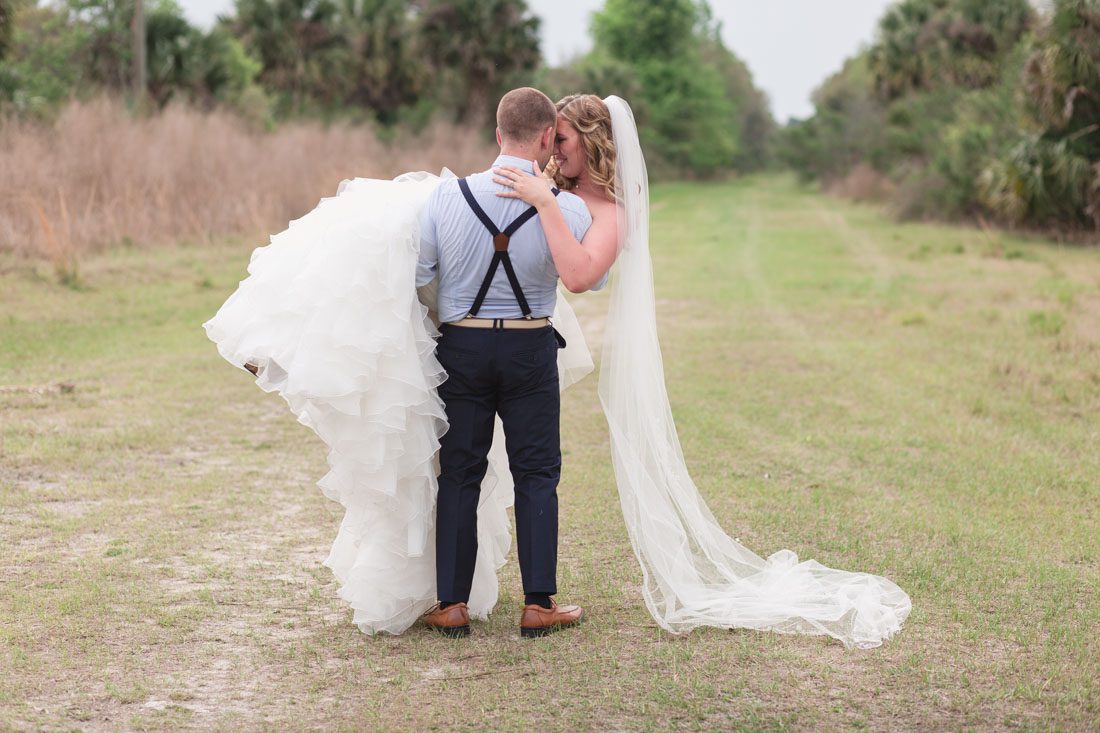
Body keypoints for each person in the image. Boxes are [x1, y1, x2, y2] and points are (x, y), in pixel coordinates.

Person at [415, 87, 605, 638]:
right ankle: (538, 603)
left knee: (460, 474)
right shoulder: (566, 207)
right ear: (548, 137)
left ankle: (451, 604)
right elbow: (598, 277)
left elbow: (422, 273)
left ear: (498, 135)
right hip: (529, 348)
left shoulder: (446, 198)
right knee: (537, 472)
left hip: (461, 349)